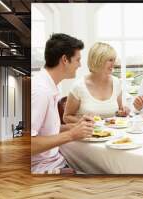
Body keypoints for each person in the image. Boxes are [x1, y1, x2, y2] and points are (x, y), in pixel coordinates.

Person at [31, 33, 94, 174]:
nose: (80, 65)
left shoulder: (50, 85)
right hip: (43, 168)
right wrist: (71, 134)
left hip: (57, 160)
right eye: (78, 60)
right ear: (65, 59)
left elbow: (45, 130)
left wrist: (73, 127)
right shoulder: (40, 92)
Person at [63, 42, 129, 123]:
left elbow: (119, 111)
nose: (114, 63)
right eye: (110, 60)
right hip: (87, 134)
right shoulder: (79, 86)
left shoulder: (116, 83)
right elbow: (66, 117)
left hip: (113, 134)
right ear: (98, 60)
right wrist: (84, 121)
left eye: (114, 60)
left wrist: (124, 111)